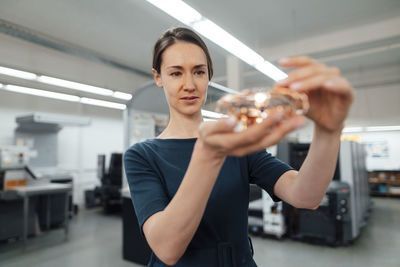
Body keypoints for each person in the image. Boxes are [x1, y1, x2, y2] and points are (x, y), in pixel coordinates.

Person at [124, 27, 353, 267]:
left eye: (199, 72)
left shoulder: (238, 141)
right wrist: (209, 154)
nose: (189, 84)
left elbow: (306, 196)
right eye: (176, 73)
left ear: (208, 76)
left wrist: (328, 131)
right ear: (158, 77)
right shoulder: (142, 156)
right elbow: (167, 248)